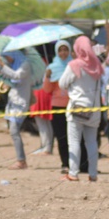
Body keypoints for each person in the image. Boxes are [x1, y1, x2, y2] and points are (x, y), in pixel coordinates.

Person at [59, 36, 102, 182]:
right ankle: (93, 174)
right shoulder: (97, 64)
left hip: (77, 109)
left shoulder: (74, 65)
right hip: (94, 110)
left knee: (74, 141)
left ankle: (73, 173)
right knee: (91, 142)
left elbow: (62, 83)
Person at [0, 50, 33, 170]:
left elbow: (16, 75)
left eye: (8, 55)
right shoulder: (13, 65)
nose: (7, 58)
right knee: (13, 131)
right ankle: (21, 160)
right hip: (13, 102)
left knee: (14, 130)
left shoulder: (25, 64)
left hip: (21, 103)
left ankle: (21, 161)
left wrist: (2, 65)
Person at [43, 40, 72, 174]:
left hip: (72, 106)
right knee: (61, 137)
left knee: (74, 137)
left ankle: (76, 163)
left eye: (65, 49)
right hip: (57, 106)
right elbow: (47, 90)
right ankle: (64, 163)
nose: (63, 53)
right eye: (60, 50)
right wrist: (48, 77)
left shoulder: (73, 65)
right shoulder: (52, 67)